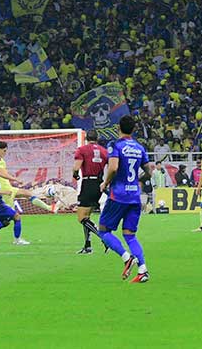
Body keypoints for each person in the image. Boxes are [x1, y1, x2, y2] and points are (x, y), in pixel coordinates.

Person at [98, 114, 154, 283]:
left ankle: (126, 257)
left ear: (118, 128)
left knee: (103, 230)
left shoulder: (115, 145)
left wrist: (106, 183)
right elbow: (150, 172)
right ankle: (143, 270)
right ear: (134, 129)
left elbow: (113, 167)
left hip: (118, 195)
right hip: (135, 197)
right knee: (130, 235)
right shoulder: (139, 147)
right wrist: (137, 181)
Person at [0, 140, 54, 245]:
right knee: (11, 217)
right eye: (4, 151)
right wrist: (15, 179)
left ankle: (50, 208)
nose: (5, 153)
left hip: (7, 188)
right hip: (5, 191)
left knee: (27, 194)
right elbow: (1, 173)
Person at [72, 129, 108, 254]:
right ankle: (88, 246)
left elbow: (76, 167)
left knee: (81, 217)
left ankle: (104, 238)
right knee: (87, 218)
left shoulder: (82, 150)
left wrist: (75, 175)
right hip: (99, 184)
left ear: (86, 138)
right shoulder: (104, 151)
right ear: (97, 139)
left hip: (88, 183)